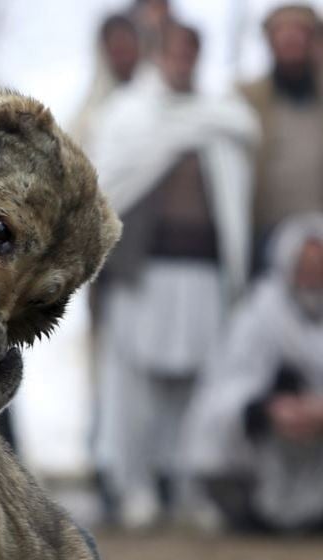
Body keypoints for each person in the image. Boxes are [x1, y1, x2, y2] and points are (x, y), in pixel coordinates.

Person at [90, 23, 258, 528]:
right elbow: (108, 186)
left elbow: (235, 196)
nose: (183, 60)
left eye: (192, 52)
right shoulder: (126, 115)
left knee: (199, 386)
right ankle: (136, 485)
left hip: (203, 272)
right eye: (175, 52)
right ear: (157, 55)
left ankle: (190, 485)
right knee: (137, 385)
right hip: (144, 272)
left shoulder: (221, 119)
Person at [184, 213, 323, 533]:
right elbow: (225, 388)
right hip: (266, 442)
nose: (312, 275)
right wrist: (269, 409)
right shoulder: (258, 315)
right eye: (305, 265)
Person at [240, 4, 323, 270]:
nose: (291, 42)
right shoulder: (247, 100)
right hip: (266, 237)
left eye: (299, 34)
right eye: (283, 35)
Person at [70, 13, 141, 147]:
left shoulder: (156, 94)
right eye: (119, 50)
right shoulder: (90, 116)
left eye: (129, 48)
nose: (125, 58)